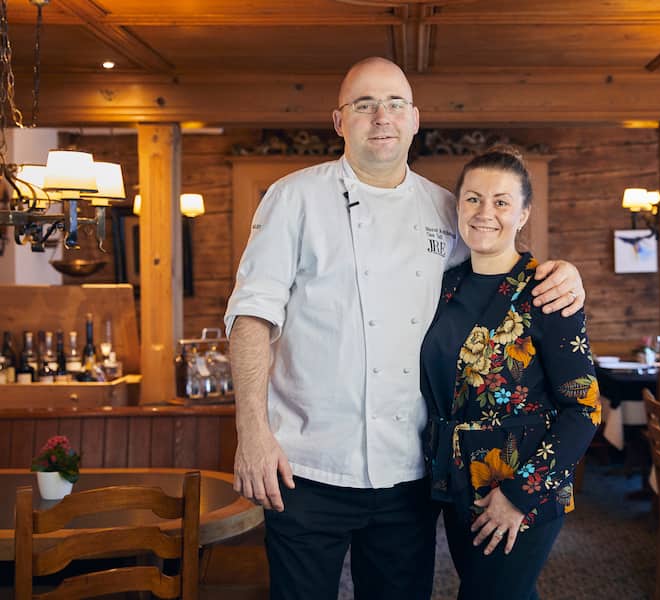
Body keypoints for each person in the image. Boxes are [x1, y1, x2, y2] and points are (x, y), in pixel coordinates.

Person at [224, 57, 586, 600]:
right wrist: (252, 432)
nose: (381, 117)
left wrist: (561, 272)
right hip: (305, 463)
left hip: (410, 471)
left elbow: (500, 266)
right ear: (339, 121)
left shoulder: (445, 208)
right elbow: (253, 315)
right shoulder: (292, 198)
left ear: (415, 119)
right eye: (364, 105)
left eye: (395, 104)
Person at [421, 147, 600, 600]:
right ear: (457, 206)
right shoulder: (443, 285)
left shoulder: (547, 291)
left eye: (501, 202)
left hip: (522, 490)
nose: (485, 212)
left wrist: (519, 495)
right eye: (473, 199)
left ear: (523, 214)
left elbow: (584, 409)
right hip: (455, 486)